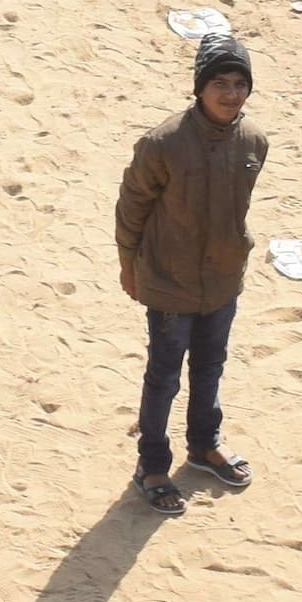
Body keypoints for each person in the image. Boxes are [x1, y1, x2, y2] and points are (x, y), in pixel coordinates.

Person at [116, 31, 266, 516]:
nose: (230, 93)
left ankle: (204, 445)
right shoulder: (163, 144)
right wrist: (128, 265)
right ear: (199, 88)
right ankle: (152, 466)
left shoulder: (253, 142)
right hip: (169, 280)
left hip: (223, 280)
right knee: (163, 376)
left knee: (210, 366)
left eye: (239, 83)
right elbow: (131, 207)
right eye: (219, 82)